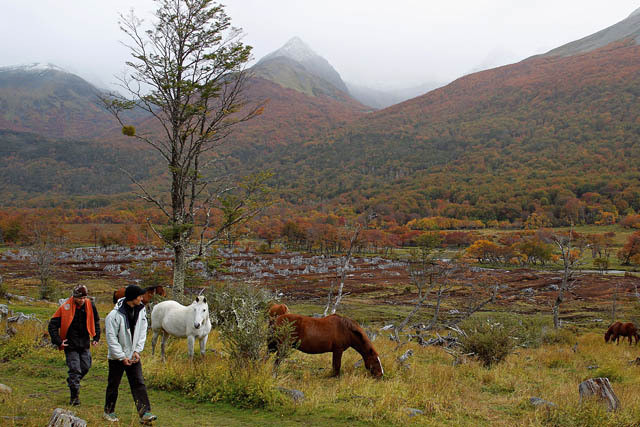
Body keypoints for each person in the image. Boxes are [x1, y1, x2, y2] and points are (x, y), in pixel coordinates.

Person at [103, 285, 157, 424]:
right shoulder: (113, 316)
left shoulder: (141, 311)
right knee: (113, 384)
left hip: (133, 356)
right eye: (139, 296)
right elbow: (111, 338)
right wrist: (121, 357)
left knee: (138, 383)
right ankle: (109, 412)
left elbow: (142, 331)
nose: (142, 298)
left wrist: (137, 351)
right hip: (117, 357)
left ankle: (145, 413)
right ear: (133, 297)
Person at [48, 284, 100, 406]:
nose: (82, 300)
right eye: (79, 298)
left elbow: (96, 321)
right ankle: (74, 398)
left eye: (84, 298)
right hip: (70, 346)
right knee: (75, 370)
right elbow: (52, 325)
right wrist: (58, 341)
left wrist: (96, 337)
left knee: (86, 367)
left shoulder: (90, 305)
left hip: (85, 344)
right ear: (74, 297)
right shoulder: (64, 308)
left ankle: (72, 381)